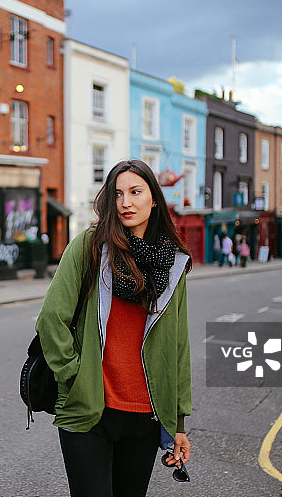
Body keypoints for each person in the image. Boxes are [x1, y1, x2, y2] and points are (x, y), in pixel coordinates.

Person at [36, 159, 192, 497]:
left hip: (145, 417)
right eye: (118, 193)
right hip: (91, 409)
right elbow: (51, 318)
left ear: (154, 199)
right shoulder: (90, 247)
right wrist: (74, 375)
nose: (126, 203)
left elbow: (179, 346)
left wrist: (178, 422)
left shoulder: (173, 262)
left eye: (136, 192)